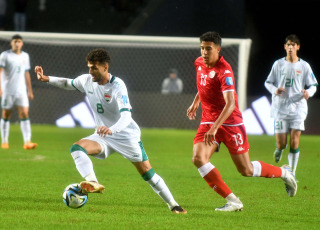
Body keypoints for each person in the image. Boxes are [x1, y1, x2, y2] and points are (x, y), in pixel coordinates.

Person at [34, 48, 186, 214]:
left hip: (126, 137)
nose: (90, 71)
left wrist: (111, 130)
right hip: (103, 136)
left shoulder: (118, 86)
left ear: (105, 68)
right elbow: (67, 83)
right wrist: (46, 78)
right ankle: (92, 182)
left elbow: (126, 116)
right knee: (77, 148)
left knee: (147, 174)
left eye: (94, 68)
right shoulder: (87, 81)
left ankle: (173, 205)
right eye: (89, 67)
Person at [186, 31, 297, 212]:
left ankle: (285, 173)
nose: (204, 52)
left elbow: (230, 104)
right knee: (198, 158)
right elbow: (203, 84)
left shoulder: (225, 71)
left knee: (246, 170)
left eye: (208, 49)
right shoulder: (199, 63)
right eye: (202, 48)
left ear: (218, 49)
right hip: (208, 120)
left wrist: (215, 127)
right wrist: (196, 102)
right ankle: (233, 201)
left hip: (230, 123)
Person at [265, 34, 318, 178]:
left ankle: (292, 173)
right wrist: (274, 90)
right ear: (284, 47)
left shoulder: (304, 65)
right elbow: (268, 82)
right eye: (288, 44)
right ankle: (279, 149)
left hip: (298, 106)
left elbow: (314, 84)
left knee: (295, 140)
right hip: (280, 107)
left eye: (293, 45)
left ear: (298, 47)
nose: (290, 47)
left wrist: (308, 92)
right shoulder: (278, 64)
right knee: (282, 143)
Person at [0, 34, 37, 149]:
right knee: (6, 115)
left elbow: (26, 73)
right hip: (8, 90)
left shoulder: (25, 56)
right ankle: (4, 141)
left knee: (25, 114)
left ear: (22, 43)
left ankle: (27, 142)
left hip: (21, 91)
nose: (17, 43)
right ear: (11, 43)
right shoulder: (5, 55)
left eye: (19, 41)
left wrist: (30, 90)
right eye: (15, 41)